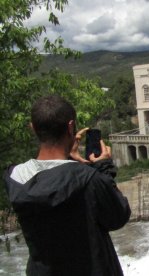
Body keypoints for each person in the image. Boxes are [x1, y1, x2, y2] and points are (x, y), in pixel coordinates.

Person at [3, 95, 131, 276]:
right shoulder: (88, 179)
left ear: (33, 128)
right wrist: (103, 168)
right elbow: (118, 216)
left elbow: (49, 176)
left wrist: (69, 159)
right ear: (71, 127)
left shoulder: (14, 177)